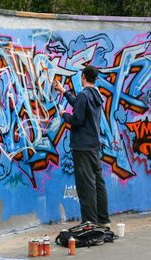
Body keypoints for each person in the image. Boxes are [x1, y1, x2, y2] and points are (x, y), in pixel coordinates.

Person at [53, 66, 110, 228]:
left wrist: (64, 114)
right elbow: (79, 104)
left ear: (83, 76)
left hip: (82, 147)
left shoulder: (84, 95)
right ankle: (103, 219)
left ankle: (89, 221)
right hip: (93, 146)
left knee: (85, 185)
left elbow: (77, 119)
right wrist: (64, 91)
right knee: (98, 182)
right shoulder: (95, 94)